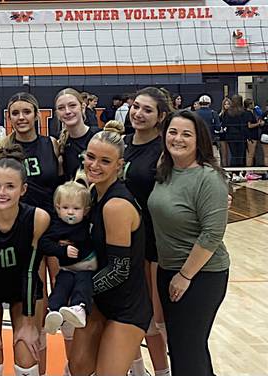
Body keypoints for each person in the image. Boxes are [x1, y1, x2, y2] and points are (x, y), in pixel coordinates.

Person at [148, 110, 229, 376]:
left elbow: (212, 234)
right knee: (185, 348)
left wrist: (185, 275)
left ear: (199, 140)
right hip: (168, 270)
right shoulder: (166, 170)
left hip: (201, 275)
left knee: (187, 351)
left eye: (186, 134)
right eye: (173, 132)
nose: (178, 139)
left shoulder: (209, 178)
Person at [68, 121, 152, 375]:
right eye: (91, 157)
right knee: (78, 367)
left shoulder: (116, 205)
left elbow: (119, 270)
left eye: (105, 161)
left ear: (119, 165)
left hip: (126, 306)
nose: (94, 165)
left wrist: (80, 291)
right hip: (100, 300)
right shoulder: (93, 193)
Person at [0, 144, 50, 376]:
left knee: (26, 351)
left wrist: (28, 323)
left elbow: (30, 271)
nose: (2, 192)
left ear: (23, 189)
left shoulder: (38, 218)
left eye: (10, 186)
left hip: (23, 290)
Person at [123, 87, 172, 376]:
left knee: (155, 317)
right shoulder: (122, 144)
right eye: (136, 107)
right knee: (128, 313)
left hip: (152, 242)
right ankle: (136, 370)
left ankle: (164, 371)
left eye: (147, 110)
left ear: (160, 116)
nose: (138, 113)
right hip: (122, 241)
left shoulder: (165, 150)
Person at [41, 177, 95, 335]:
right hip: (67, 269)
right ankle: (53, 311)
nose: (70, 212)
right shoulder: (56, 227)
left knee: (83, 284)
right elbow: (44, 244)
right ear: (57, 209)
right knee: (61, 286)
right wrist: (61, 250)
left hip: (86, 268)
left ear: (85, 210)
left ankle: (79, 308)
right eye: (65, 207)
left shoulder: (87, 224)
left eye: (76, 208)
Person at [56, 88, 100, 181]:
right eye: (61, 108)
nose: (67, 111)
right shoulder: (59, 144)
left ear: (83, 107)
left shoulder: (99, 136)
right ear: (57, 114)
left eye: (72, 105)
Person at [195, 95, 222, 165]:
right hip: (211, 140)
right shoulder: (213, 113)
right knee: (214, 159)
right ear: (209, 103)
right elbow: (218, 128)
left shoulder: (195, 114)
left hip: (199, 141)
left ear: (199, 103)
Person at [218, 97, 232, 167]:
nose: (227, 106)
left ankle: (231, 168)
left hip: (230, 134)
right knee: (224, 153)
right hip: (223, 134)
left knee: (231, 152)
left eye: (228, 104)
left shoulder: (232, 114)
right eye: (225, 104)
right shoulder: (221, 114)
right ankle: (225, 168)